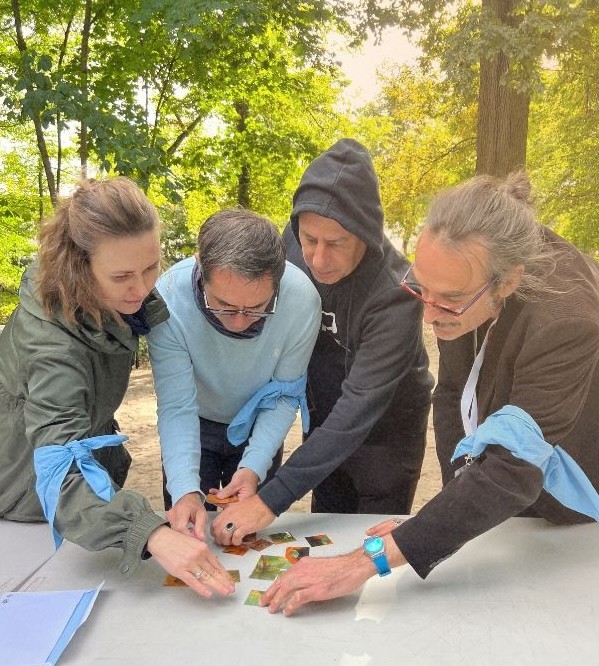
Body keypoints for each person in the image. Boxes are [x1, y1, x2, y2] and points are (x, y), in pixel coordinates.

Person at [260, 170, 599, 615]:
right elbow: (456, 391)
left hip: (579, 480)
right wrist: (447, 508)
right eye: (421, 288)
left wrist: (369, 560)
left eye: (447, 300)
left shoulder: (566, 322)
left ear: (508, 282)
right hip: (517, 474)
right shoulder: (455, 278)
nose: (428, 314)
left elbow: (511, 470)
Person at [0, 177, 234, 599]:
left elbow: (176, 400)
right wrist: (151, 533)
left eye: (151, 267)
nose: (141, 288)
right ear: (78, 267)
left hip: (82, 491)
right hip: (23, 498)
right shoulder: (52, 348)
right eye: (123, 275)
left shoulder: (115, 299)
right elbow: (58, 477)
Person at [211, 138, 433, 543]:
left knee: (368, 545)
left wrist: (268, 501)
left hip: (387, 433)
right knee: (326, 533)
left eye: (336, 244)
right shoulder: (290, 244)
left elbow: (358, 410)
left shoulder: (396, 294)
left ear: (366, 234)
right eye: (310, 240)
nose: (317, 259)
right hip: (322, 419)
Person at [146, 208, 321, 538]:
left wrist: (254, 467)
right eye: (224, 305)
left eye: (257, 308)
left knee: (250, 535)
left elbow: (283, 396)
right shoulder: (167, 298)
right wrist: (184, 490)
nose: (240, 322)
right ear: (201, 266)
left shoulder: (302, 300)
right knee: (188, 527)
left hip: (260, 422)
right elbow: (176, 406)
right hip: (195, 421)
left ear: (279, 278)